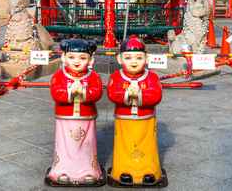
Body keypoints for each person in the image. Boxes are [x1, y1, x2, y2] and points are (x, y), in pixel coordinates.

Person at [107, 35, 165, 187]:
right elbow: (112, 93)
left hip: (146, 119)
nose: (134, 62)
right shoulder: (116, 76)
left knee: (147, 145)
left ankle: (149, 170)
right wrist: (127, 94)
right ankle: (123, 169)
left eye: (139, 58)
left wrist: (139, 94)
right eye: (128, 58)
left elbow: (156, 94)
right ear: (120, 59)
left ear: (146, 58)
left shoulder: (152, 77)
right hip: (124, 119)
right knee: (124, 145)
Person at [46, 39, 104, 186]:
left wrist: (84, 92)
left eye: (82, 58)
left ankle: (89, 171)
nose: (77, 62)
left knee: (87, 144)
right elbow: (56, 92)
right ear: (64, 57)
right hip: (65, 117)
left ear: (91, 60)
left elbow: (97, 92)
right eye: (71, 57)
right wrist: (70, 91)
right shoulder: (59, 76)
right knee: (65, 145)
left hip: (86, 117)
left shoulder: (93, 76)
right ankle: (62, 170)